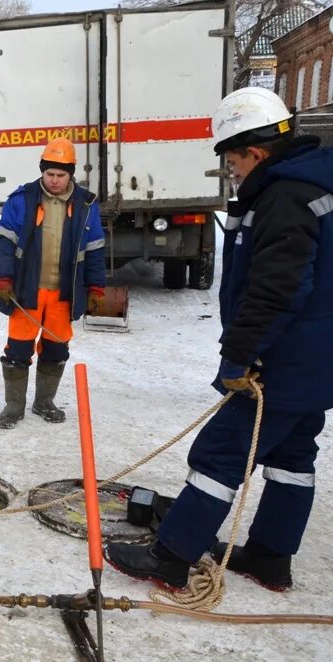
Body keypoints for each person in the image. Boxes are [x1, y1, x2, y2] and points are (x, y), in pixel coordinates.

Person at [106, 87, 333, 592]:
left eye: (233, 161)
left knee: (221, 454)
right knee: (293, 459)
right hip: (317, 361)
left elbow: (279, 288)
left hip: (284, 361)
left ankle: (170, 556)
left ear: (255, 152)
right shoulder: (314, 186)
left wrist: (241, 354)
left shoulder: (287, 197)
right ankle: (271, 558)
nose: (231, 172)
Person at [0, 137, 106, 429]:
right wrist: (2, 278)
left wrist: (95, 287)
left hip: (63, 293)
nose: (54, 181)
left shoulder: (85, 204)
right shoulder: (22, 199)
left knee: (56, 350)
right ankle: (13, 406)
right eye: (49, 174)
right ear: (42, 171)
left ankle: (44, 402)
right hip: (27, 291)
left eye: (60, 175)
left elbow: (94, 249)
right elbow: (3, 241)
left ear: (71, 174)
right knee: (18, 350)